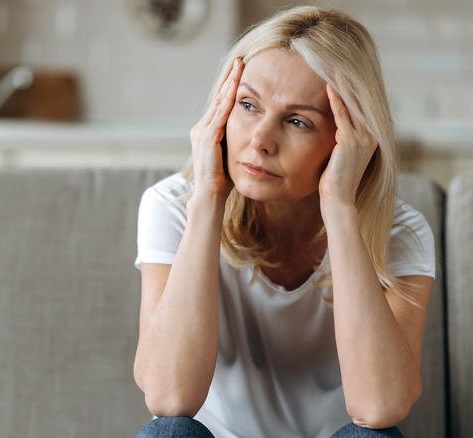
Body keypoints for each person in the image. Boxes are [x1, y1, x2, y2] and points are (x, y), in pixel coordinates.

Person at [133, 5, 436, 438]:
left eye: (297, 121)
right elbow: (168, 399)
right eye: (248, 104)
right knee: (169, 433)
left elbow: (380, 407)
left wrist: (340, 210)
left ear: (348, 139)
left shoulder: (401, 233)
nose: (260, 141)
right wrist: (207, 199)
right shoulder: (173, 206)